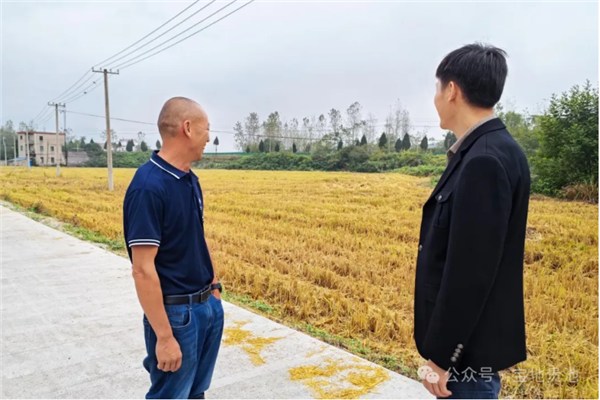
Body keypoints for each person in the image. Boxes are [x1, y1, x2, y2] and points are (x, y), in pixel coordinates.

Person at [413, 43, 531, 399]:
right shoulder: (494, 148)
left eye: (437, 89)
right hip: (472, 350)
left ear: (452, 91)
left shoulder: (483, 160)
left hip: (466, 359)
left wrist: (443, 357)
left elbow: (471, 271)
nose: (435, 98)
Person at [123, 97, 224, 399]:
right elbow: (142, 270)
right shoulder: (148, 186)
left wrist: (214, 287)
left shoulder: (189, 179)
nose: (209, 138)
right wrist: (165, 337)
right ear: (188, 128)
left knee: (196, 393)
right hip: (176, 316)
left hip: (205, 306)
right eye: (207, 129)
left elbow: (196, 236)